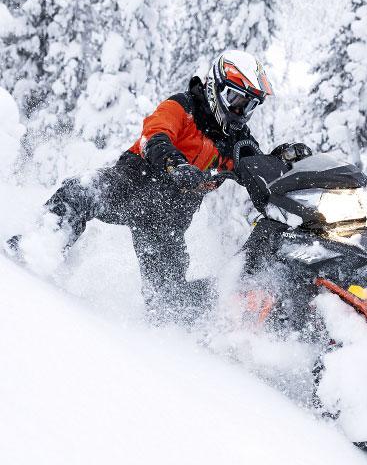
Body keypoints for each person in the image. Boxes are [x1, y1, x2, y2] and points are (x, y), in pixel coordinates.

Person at [5, 49, 309, 322]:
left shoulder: (233, 136)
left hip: (166, 221)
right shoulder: (182, 106)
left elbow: (250, 165)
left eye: (248, 105)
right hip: (132, 186)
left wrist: (280, 160)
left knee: (169, 297)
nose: (239, 111)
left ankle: (183, 339)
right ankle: (37, 248)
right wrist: (176, 165)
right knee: (81, 191)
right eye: (235, 100)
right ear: (215, 87)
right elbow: (155, 136)